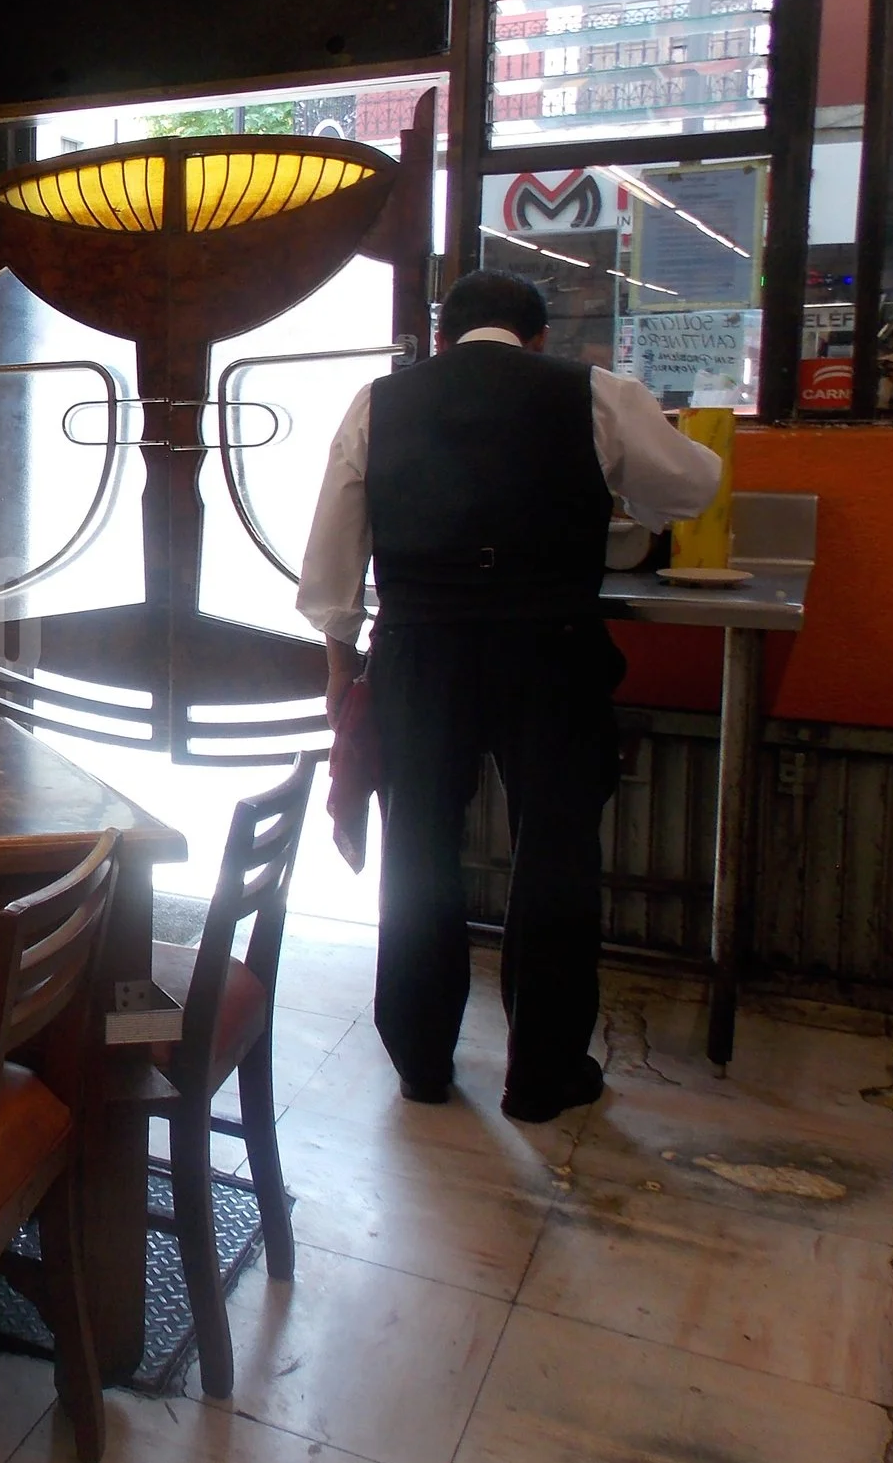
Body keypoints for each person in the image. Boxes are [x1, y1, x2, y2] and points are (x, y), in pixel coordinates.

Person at [295, 270, 723, 1122]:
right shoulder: (592, 392)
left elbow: (332, 562)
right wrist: (618, 490)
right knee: (555, 856)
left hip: (421, 653)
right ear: (539, 337)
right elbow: (693, 486)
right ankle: (542, 1076)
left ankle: (421, 1061)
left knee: (418, 851)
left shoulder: (379, 401)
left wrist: (343, 673)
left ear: (441, 336)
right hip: (550, 651)